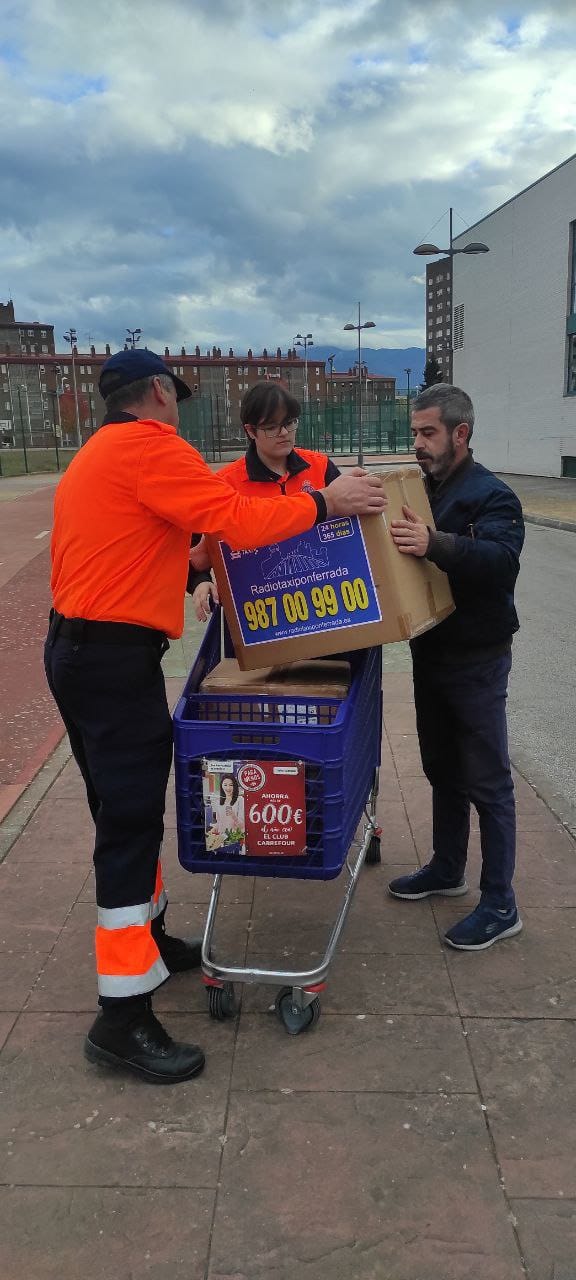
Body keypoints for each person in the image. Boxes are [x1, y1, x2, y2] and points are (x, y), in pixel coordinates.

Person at [44, 347, 387, 1084]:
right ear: (160, 393)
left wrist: (199, 566)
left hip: (81, 651)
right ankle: (122, 1017)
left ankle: (154, 941)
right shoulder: (149, 445)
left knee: (121, 808)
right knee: (131, 821)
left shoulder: (100, 452)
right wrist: (327, 504)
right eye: (178, 396)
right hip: (109, 658)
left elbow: (168, 545)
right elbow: (231, 516)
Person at [387, 383, 525, 950]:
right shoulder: (422, 488)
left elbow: (499, 561)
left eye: (427, 433)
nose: (417, 443)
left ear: (460, 434)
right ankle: (448, 868)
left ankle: (500, 902)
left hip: (477, 660)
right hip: (432, 653)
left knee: (487, 780)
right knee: (442, 767)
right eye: (414, 432)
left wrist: (434, 542)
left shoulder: (494, 496)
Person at [188, 381, 341, 620]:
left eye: (289, 423)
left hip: (328, 606)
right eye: (271, 427)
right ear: (250, 431)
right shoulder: (224, 484)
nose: (283, 433)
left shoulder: (320, 467)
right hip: (257, 615)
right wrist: (201, 582)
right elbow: (193, 552)